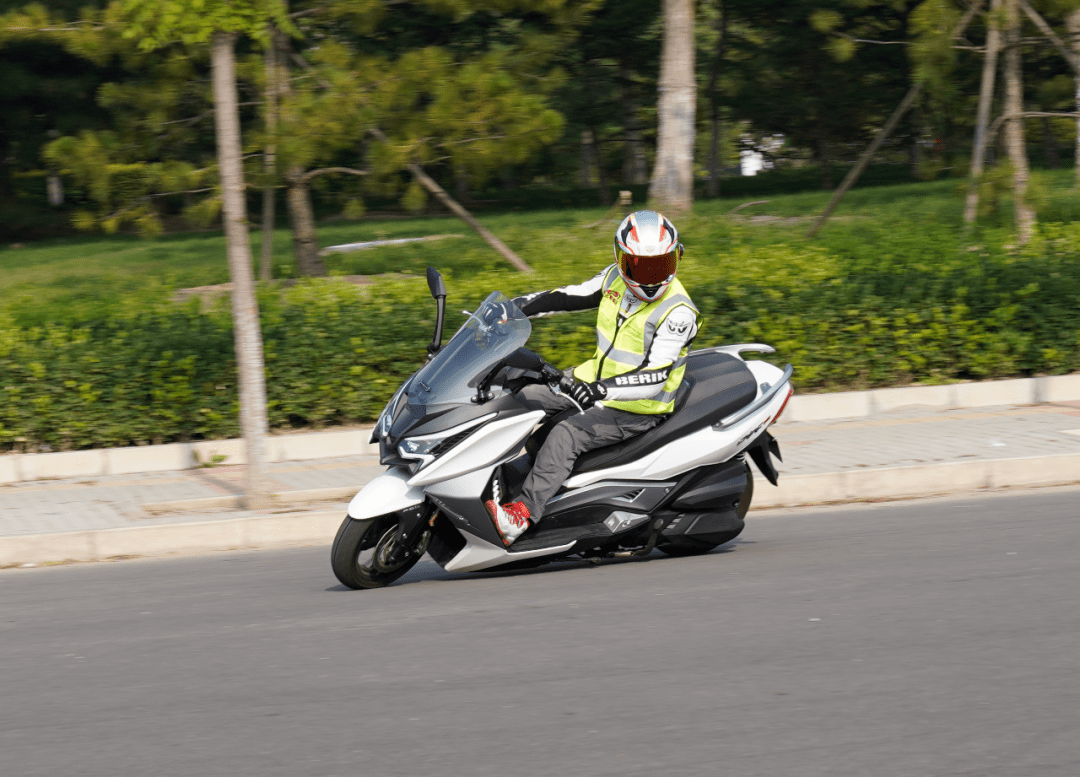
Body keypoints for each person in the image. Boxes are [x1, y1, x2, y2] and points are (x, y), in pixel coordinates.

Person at [485, 209, 700, 546]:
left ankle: (521, 516)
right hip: (591, 382)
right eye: (641, 268)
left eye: (660, 266)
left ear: (677, 257)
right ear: (621, 259)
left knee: (565, 435)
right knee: (517, 396)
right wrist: (513, 309)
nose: (651, 279)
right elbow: (568, 296)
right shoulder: (614, 278)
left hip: (638, 407)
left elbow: (656, 376)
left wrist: (601, 390)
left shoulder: (678, 312)